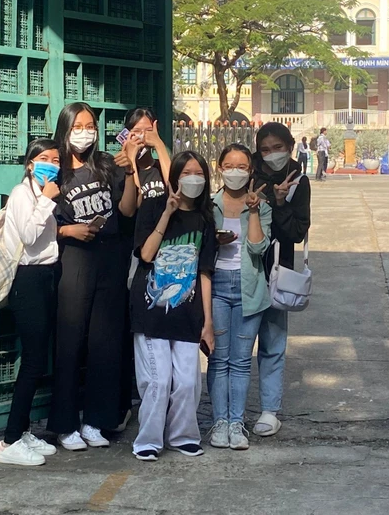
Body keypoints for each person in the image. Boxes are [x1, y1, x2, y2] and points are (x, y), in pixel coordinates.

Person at [49, 102, 140, 451]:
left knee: (105, 343)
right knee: (70, 342)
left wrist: (130, 171)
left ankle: (96, 420)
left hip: (110, 260)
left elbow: (127, 210)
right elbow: (37, 222)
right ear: (65, 129)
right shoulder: (55, 169)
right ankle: (65, 424)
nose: (85, 133)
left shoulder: (105, 164)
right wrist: (68, 231)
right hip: (74, 260)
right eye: (78, 127)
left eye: (90, 126)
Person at [131, 151, 217, 461]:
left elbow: (205, 272)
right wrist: (167, 214)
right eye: (186, 173)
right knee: (158, 379)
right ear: (175, 177)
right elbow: (146, 255)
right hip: (151, 311)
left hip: (187, 313)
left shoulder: (206, 218)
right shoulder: (154, 206)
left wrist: (208, 323)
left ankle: (183, 435)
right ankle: (148, 440)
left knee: (187, 381)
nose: (193, 178)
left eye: (199, 173)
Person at [0, 139, 63, 467]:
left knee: (38, 358)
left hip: (47, 276)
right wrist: (48, 201)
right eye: (44, 158)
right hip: (27, 279)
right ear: (30, 164)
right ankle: (10, 440)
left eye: (56, 159)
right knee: (34, 361)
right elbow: (28, 236)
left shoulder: (42, 194)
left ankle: (22, 431)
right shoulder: (22, 194)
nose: (51, 164)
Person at [208, 144, 272, 451]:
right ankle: (219, 422)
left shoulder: (262, 206)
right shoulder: (209, 205)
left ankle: (237, 422)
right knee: (218, 359)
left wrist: (254, 210)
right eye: (229, 166)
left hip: (249, 288)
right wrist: (215, 241)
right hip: (216, 286)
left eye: (242, 167)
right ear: (220, 168)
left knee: (242, 361)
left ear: (250, 171)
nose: (235, 172)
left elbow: (258, 248)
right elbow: (199, 246)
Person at [113, 108, 172, 432]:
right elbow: (129, 208)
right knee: (139, 332)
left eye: (147, 129)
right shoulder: (124, 165)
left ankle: (166, 403)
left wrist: (159, 144)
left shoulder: (163, 160)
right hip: (138, 256)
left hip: (170, 255)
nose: (141, 136)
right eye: (135, 131)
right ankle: (132, 402)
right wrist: (131, 164)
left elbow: (175, 187)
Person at [252, 122, 310, 438]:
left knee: (272, 343)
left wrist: (280, 203)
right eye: (265, 149)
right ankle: (228, 412)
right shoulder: (247, 175)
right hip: (242, 270)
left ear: (289, 146)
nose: (271, 154)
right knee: (235, 346)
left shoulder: (299, 181)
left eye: (277, 148)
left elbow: (297, 233)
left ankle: (269, 411)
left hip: (276, 273)